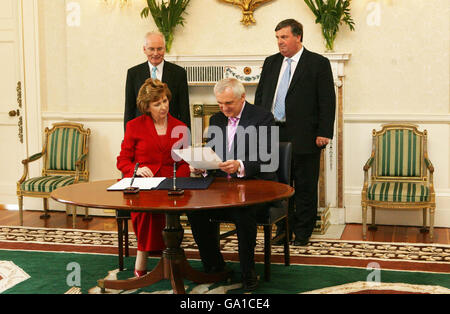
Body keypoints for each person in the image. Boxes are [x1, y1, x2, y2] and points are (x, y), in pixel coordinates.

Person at [187, 78, 277, 291]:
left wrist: (240, 165)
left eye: (228, 103)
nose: (224, 108)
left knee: (242, 213)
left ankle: (248, 271)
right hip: (222, 188)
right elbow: (213, 153)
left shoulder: (262, 118)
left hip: (256, 186)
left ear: (243, 97)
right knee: (195, 211)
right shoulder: (217, 119)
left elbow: (268, 158)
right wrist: (203, 166)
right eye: (220, 103)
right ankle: (214, 265)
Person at [255, 19, 336, 246]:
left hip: (306, 135)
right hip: (273, 134)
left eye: (284, 37)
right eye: (278, 38)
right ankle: (282, 229)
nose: (280, 42)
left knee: (305, 186)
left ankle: (302, 233)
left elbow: (327, 101)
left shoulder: (317, 63)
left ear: (298, 37)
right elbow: (261, 97)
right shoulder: (271, 63)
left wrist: (324, 132)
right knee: (279, 186)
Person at [117, 78, 190, 277]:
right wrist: (136, 169)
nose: (163, 107)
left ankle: (167, 257)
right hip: (143, 185)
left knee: (169, 206)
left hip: (171, 185)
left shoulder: (180, 126)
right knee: (146, 210)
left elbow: (184, 163)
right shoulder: (134, 126)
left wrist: (178, 182)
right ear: (146, 106)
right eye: (157, 104)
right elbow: (123, 160)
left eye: (165, 101)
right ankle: (143, 254)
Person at [124, 31, 190, 130]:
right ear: (144, 49)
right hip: (142, 131)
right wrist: (128, 137)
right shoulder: (133, 74)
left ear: (165, 49)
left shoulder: (179, 73)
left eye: (159, 49)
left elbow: (184, 110)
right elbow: (129, 109)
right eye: (151, 49)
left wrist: (186, 140)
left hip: (170, 131)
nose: (156, 53)